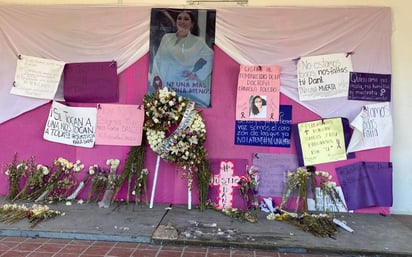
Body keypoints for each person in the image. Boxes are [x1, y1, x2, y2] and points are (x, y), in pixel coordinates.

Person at [149, 10, 214, 107]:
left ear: (192, 24)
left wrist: (196, 73)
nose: (182, 21)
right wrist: (156, 78)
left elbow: (209, 56)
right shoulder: (166, 38)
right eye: (179, 18)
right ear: (176, 22)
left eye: (186, 19)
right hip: (167, 80)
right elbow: (158, 59)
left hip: (184, 84)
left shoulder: (197, 41)